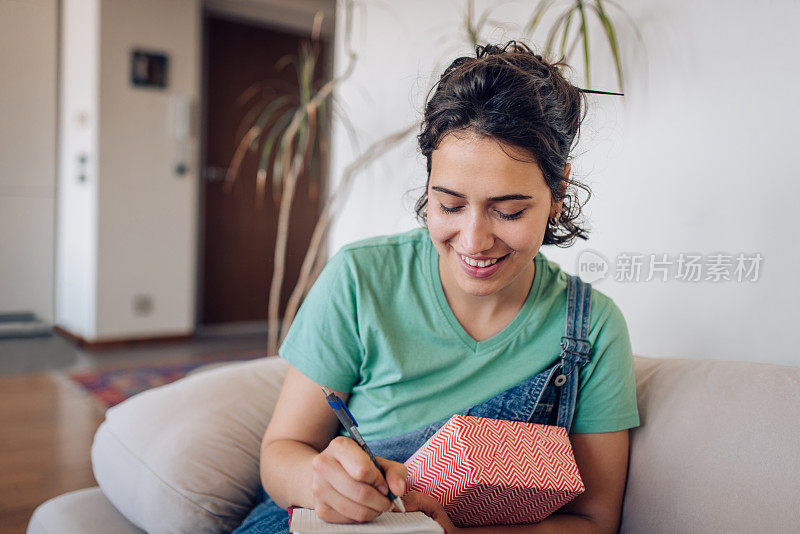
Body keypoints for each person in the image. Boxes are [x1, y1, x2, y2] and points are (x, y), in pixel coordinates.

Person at [234, 41, 639, 534]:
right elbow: (281, 453)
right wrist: (322, 484)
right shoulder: (361, 279)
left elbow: (595, 521)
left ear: (557, 195)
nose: (474, 241)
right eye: (448, 206)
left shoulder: (592, 329)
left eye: (508, 211)